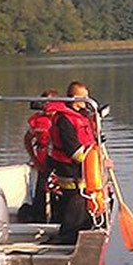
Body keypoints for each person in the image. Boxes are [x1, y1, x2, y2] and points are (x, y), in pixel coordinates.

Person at [47, 80, 100, 244]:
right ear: (75, 98)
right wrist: (95, 162)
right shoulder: (65, 120)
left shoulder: (81, 116)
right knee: (74, 203)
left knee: (81, 205)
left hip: (81, 170)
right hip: (70, 171)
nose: (87, 100)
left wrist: (100, 158)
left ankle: (80, 232)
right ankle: (67, 238)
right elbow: (74, 151)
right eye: (84, 97)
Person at [19, 89, 60, 223]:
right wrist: (35, 160)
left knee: (59, 194)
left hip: (59, 163)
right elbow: (27, 139)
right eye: (44, 103)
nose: (46, 107)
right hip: (43, 162)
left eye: (49, 103)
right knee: (40, 194)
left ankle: (58, 217)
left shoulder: (62, 119)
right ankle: (39, 218)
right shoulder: (37, 120)